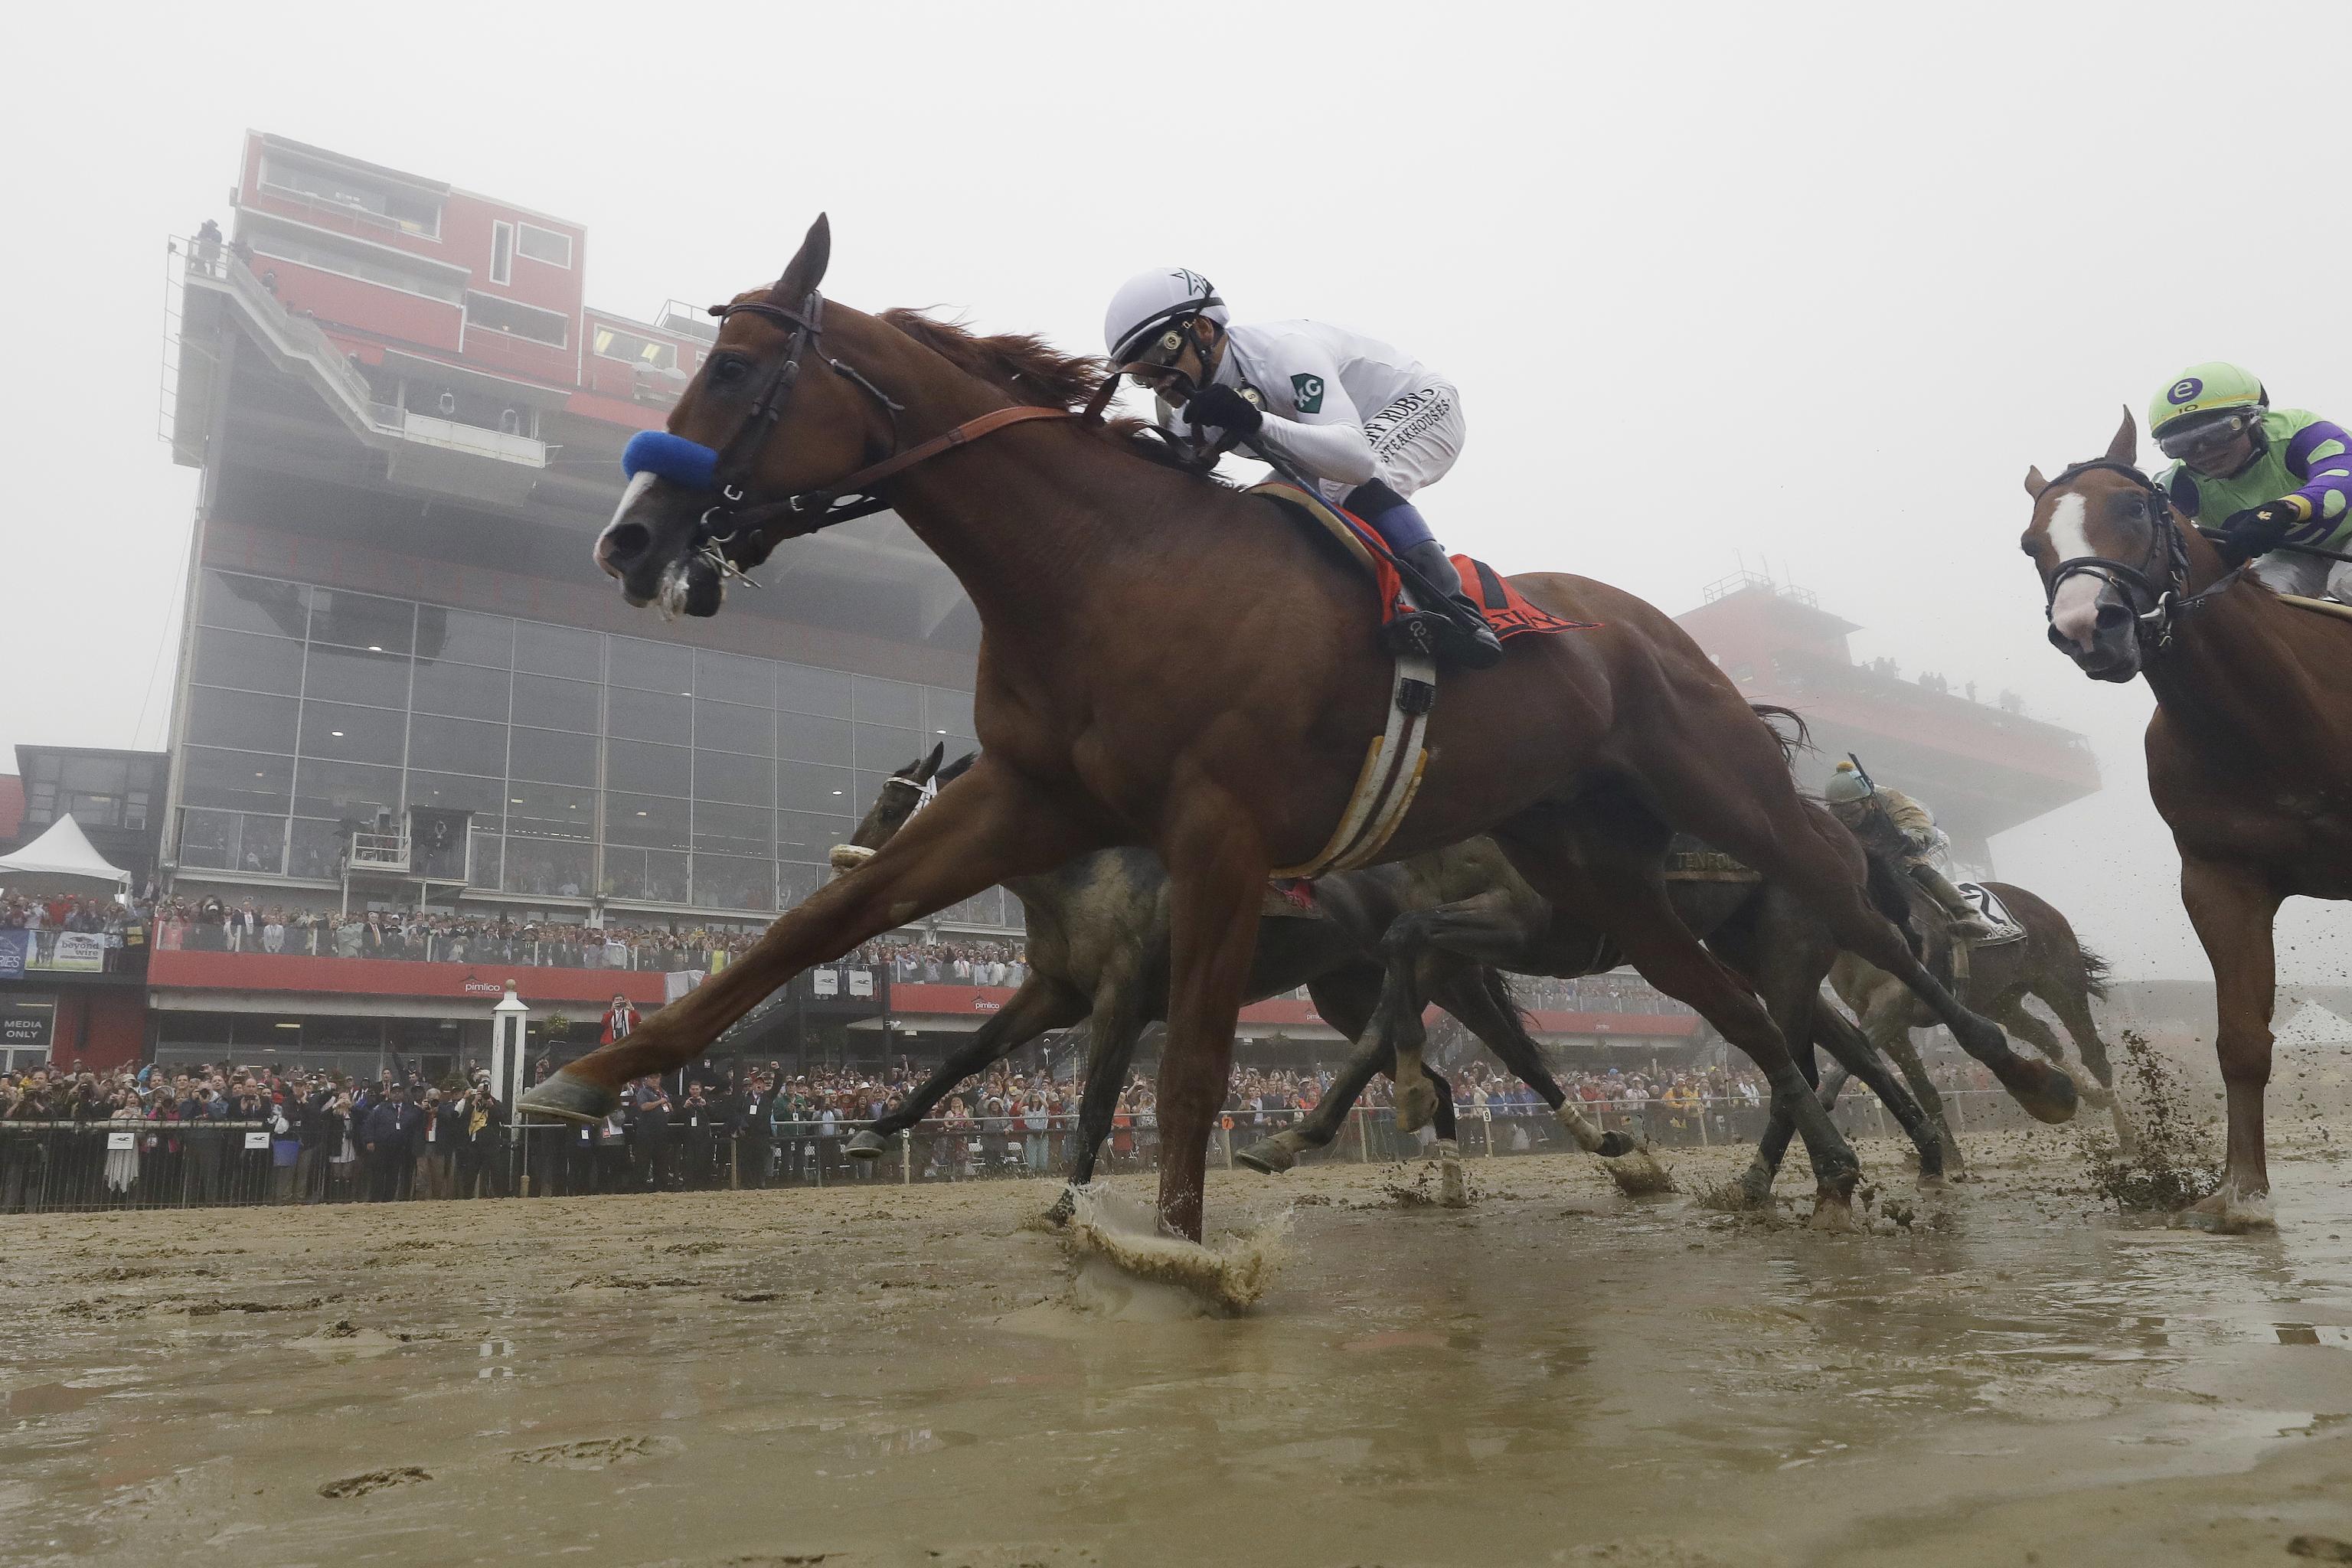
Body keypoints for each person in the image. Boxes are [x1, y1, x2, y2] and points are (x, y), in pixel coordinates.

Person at [1102, 267, 1504, 668]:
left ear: (1203, 330)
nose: (1157, 382)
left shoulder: (1283, 352)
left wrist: (1254, 420)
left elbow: (1356, 461)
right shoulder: (1184, 411)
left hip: (1421, 405)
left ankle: (1457, 612)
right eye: (1142, 372)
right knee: (1261, 512)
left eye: (1162, 352)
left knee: (1340, 483)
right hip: (1336, 444)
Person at [2148, 362, 2352, 603]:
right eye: (2181, 444)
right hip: (2290, 553)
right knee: (2255, 603)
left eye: (2219, 432)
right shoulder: (2178, 483)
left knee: (2347, 585)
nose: (2202, 451)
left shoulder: (2299, 431)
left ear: (2254, 421)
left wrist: (2284, 509)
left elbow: (2342, 475)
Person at [1822, 760, 1999, 940]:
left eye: (1852, 811)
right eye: (1839, 812)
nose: (1846, 818)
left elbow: (1921, 828)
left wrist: (1907, 842)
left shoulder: (1890, 799)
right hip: (1883, 849)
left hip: (1927, 842)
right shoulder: (1836, 814)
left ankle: (1968, 914)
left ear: (1869, 802)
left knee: (1911, 865)